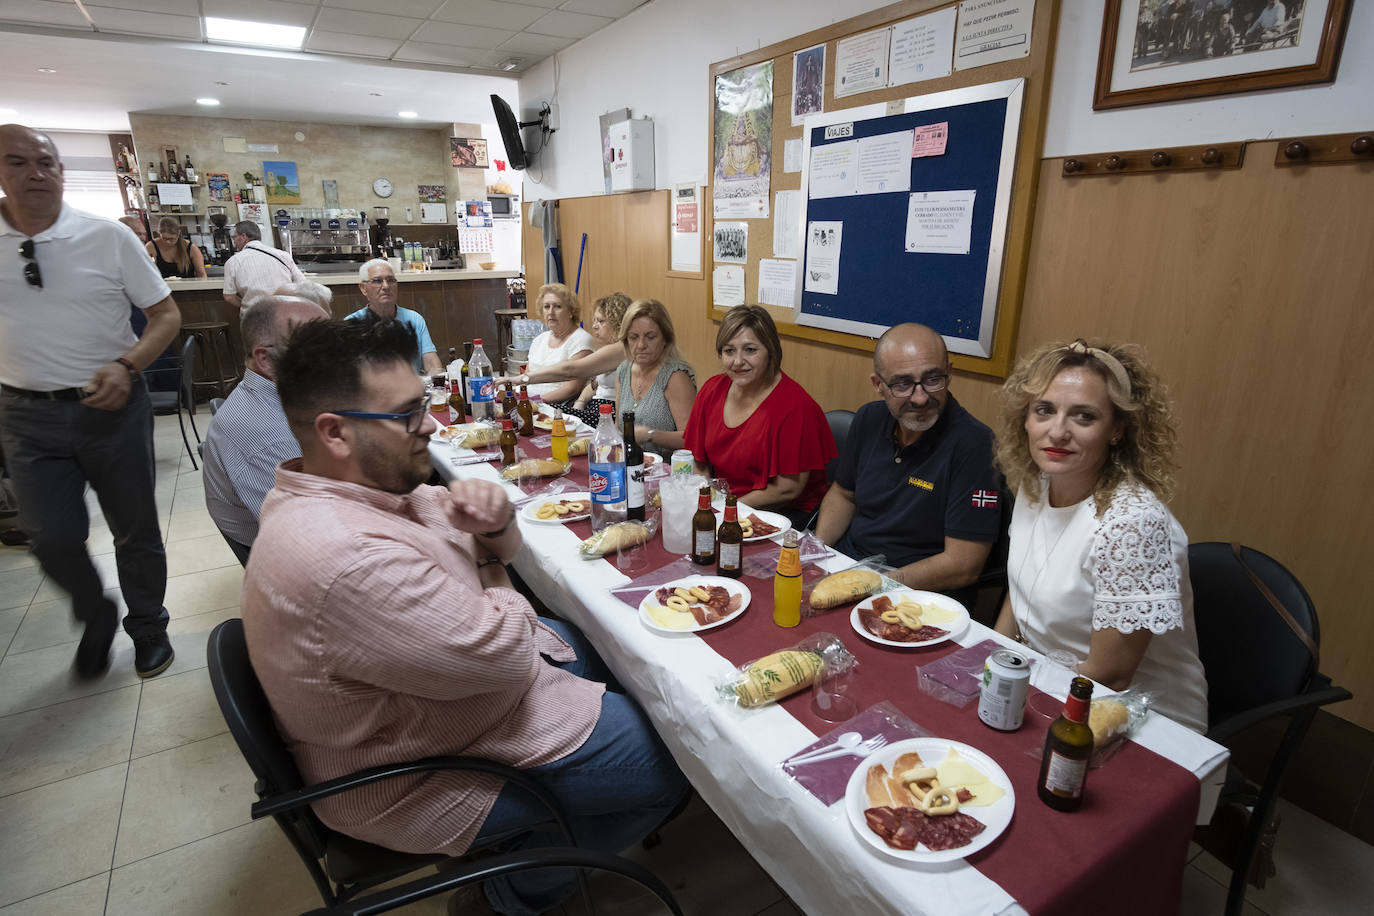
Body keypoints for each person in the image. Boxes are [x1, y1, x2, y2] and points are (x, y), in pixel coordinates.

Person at [242, 318, 687, 915]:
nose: (429, 424)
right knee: (681, 758)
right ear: (335, 432)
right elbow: (507, 655)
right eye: (407, 415)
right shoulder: (344, 558)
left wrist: (492, 531)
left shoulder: (357, 489)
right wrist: (489, 562)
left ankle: (546, 824)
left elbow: (485, 537)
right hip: (414, 773)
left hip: (448, 707)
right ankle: (507, 891)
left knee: (605, 647)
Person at [0, 123, 178, 678]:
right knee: (48, 536)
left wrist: (128, 365)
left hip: (113, 407)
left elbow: (165, 315)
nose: (35, 173)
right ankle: (95, 612)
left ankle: (147, 625)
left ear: (62, 171)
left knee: (135, 528)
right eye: (16, 162)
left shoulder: (107, 237)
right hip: (24, 412)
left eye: (46, 162)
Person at [992, 339, 1208, 733]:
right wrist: (991, 665)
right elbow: (1020, 591)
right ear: (1026, 418)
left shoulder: (1132, 524)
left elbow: (1112, 676)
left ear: (1116, 429)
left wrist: (1016, 687)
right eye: (1044, 410)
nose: (1057, 432)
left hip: (1140, 720)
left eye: (1084, 416)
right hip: (1047, 684)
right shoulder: (1036, 483)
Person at [814, 323, 1000, 606]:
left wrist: (874, 584)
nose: (920, 397)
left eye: (933, 379)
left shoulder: (976, 445)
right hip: (850, 565)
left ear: (949, 372)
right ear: (878, 385)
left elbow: (963, 565)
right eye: (902, 384)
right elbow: (843, 494)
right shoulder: (868, 419)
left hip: (915, 592)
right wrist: (816, 554)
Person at [200, 293, 329, 564]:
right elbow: (316, 540)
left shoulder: (288, 396)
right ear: (266, 360)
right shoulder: (269, 437)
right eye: (318, 344)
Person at [683, 305, 835, 518]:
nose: (738, 362)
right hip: (727, 505)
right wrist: (708, 500)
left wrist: (728, 509)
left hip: (784, 514)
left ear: (770, 351)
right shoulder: (711, 390)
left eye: (750, 350)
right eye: (729, 351)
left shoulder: (797, 407)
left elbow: (787, 489)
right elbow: (698, 461)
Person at [496, 291, 630, 416]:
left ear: (618, 323)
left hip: (607, 412)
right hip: (595, 407)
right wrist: (580, 402)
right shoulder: (540, 339)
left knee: (543, 415)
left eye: (600, 321)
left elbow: (570, 371)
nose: (594, 326)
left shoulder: (620, 349)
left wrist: (521, 380)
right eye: (546, 307)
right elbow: (595, 385)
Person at [615, 299, 696, 459]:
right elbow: (619, 427)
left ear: (665, 339)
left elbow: (692, 438)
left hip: (668, 468)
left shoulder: (675, 377)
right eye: (633, 337)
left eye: (650, 337)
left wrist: (650, 434)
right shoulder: (624, 371)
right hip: (631, 462)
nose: (641, 345)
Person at [345, 258, 442, 375]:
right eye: (377, 281)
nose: (386, 286)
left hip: (412, 384)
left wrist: (435, 379)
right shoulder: (351, 325)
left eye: (391, 280)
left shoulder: (414, 319)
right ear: (363, 288)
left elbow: (432, 364)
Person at [524, 283, 594, 403]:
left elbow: (571, 389)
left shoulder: (581, 340)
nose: (551, 312)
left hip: (560, 405)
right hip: (531, 401)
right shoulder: (539, 340)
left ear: (571, 312)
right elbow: (527, 378)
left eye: (557, 307)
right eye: (546, 307)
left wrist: (535, 401)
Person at [222, 220, 304, 310]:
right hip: (286, 311)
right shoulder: (283, 255)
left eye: (234, 237)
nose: (234, 241)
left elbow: (229, 297)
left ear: (243, 237)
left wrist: (248, 307)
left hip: (254, 315)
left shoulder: (233, 261)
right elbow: (302, 284)